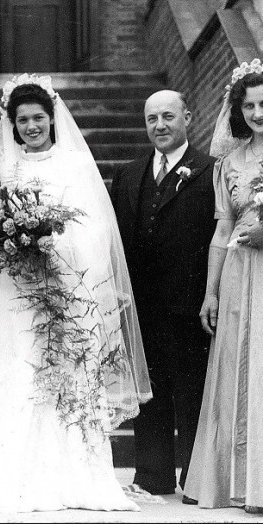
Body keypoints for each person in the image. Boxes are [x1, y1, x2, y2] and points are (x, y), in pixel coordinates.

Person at [0, 76, 152, 513]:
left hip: (66, 284)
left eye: (39, 118)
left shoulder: (75, 165)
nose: (31, 126)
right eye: (23, 120)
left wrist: (50, 247)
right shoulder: (5, 167)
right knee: (21, 367)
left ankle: (74, 477)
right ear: (11, 124)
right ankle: (15, 477)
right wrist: (11, 240)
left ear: (52, 119)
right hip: (18, 284)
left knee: (66, 375)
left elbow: (96, 227)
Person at [110, 90, 216, 497]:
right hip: (141, 304)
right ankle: (152, 475)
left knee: (191, 390)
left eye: (168, 117)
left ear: (187, 117)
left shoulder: (209, 169)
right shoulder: (130, 172)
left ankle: (193, 474)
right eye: (151, 119)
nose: (160, 126)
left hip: (188, 302)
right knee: (148, 390)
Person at [184, 58, 263, 513]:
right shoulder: (228, 163)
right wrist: (210, 291)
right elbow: (221, 231)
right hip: (238, 274)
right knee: (240, 369)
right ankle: (247, 484)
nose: (257, 113)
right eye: (249, 105)